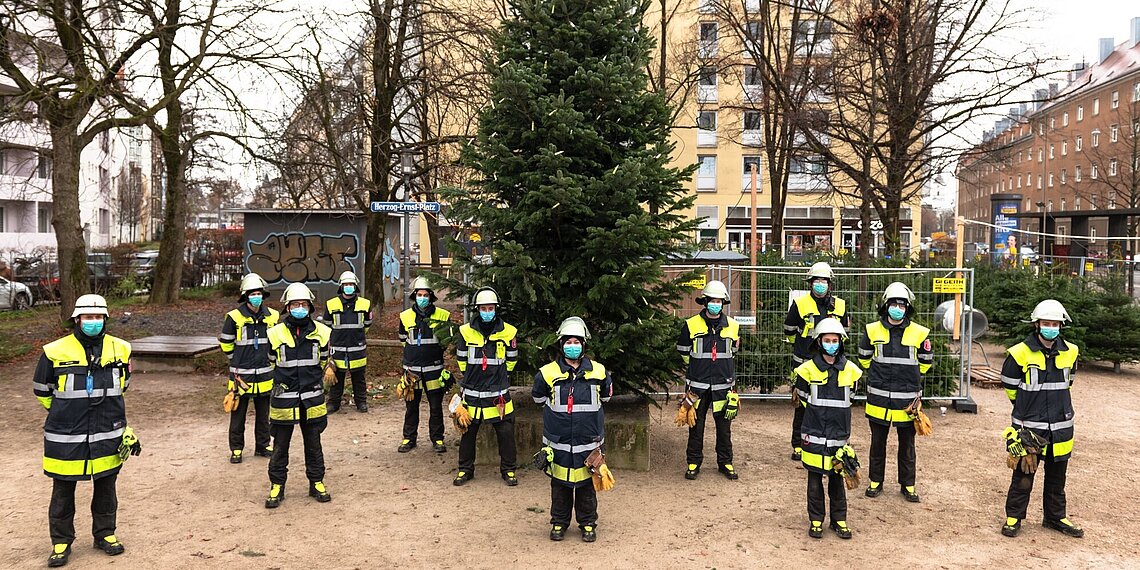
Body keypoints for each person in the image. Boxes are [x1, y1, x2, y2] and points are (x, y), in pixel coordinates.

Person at [33, 294, 140, 567]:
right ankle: (61, 542)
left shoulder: (122, 349)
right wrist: (65, 414)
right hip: (65, 435)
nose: (93, 322)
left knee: (106, 488)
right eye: (87, 317)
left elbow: (123, 386)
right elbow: (43, 390)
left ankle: (105, 535)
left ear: (105, 319)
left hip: (107, 433)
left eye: (97, 317)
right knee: (62, 491)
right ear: (76, 319)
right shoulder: (54, 351)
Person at [999, 299, 1083, 538]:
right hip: (1030, 427)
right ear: (1036, 325)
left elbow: (1069, 381)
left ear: (1061, 326)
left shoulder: (1071, 351)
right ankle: (1014, 518)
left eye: (1055, 324)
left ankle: (1055, 517)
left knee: (1058, 477)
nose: (1051, 328)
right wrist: (1026, 409)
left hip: (1062, 425)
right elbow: (1010, 386)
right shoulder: (1018, 353)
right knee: (1023, 475)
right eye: (1046, 323)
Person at [532, 317, 613, 543]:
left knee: (588, 486)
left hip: (589, 443)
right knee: (560, 486)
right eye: (568, 341)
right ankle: (559, 523)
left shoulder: (599, 371)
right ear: (561, 344)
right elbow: (538, 399)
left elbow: (606, 396)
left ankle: (587, 524)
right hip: (557, 444)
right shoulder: (546, 373)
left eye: (577, 342)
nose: (573, 345)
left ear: (584, 345)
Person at [857, 282, 933, 502]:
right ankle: (875, 482)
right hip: (878, 399)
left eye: (902, 305)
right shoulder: (872, 330)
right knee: (877, 444)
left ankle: (908, 485)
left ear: (907, 308)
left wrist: (908, 380)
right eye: (894, 304)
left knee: (907, 446)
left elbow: (926, 362)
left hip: (907, 402)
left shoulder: (920, 333)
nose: (897, 308)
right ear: (886, 305)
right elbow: (863, 358)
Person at [264, 283, 333, 508]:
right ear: (287, 307)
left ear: (310, 307)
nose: (299, 308)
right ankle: (277, 486)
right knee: (280, 445)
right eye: (295, 304)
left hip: (312, 398)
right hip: (284, 399)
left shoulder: (322, 332)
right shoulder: (274, 333)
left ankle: (317, 483)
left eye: (303, 304)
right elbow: (271, 362)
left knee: (314, 444)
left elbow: (323, 361)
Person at [795, 317, 861, 540]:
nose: (831, 344)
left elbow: (850, 397)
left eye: (835, 340)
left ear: (841, 342)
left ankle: (839, 521)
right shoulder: (805, 371)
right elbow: (803, 399)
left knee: (837, 480)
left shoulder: (851, 371)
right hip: (813, 433)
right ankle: (816, 521)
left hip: (839, 436)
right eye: (827, 340)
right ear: (819, 342)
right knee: (814, 481)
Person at [453, 287, 519, 486]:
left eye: (490, 308)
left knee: (506, 433)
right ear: (477, 309)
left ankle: (509, 470)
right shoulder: (465, 331)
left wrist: (499, 377)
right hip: (472, 392)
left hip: (498, 393)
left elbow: (511, 360)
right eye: (483, 308)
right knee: (467, 433)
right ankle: (465, 470)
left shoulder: (509, 332)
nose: (487, 311)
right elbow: (462, 360)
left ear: (496, 309)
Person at [784, 262, 850, 461]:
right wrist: (805, 347)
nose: (820, 284)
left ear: (830, 284)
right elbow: (789, 331)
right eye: (816, 281)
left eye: (824, 281)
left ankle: (826, 440)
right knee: (802, 404)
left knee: (829, 403)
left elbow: (845, 333)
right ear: (810, 283)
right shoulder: (800, 304)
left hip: (831, 362)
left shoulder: (840, 305)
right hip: (805, 362)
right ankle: (799, 444)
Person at [677, 280, 741, 481]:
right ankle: (693, 462)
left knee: (724, 428)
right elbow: (683, 351)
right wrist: (698, 369)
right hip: (698, 385)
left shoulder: (733, 325)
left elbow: (734, 351)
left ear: (724, 303)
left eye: (719, 301)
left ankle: (726, 462)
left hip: (724, 386)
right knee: (696, 425)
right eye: (712, 300)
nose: (715, 304)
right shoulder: (690, 325)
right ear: (704, 301)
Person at [218, 273, 279, 464]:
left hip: (264, 374)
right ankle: (236, 448)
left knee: (263, 415)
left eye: (259, 293)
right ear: (245, 295)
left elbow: (276, 342)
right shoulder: (234, 317)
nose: (256, 296)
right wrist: (237, 360)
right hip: (241, 376)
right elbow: (226, 343)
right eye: (253, 293)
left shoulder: (273, 316)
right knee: (238, 415)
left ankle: (263, 445)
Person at [397, 276, 453, 453]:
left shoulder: (443, 316)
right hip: (412, 371)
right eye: (419, 294)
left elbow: (446, 341)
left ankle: (437, 439)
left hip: (434, 370)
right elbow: (403, 340)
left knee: (435, 407)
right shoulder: (405, 317)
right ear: (414, 296)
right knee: (411, 407)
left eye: (425, 294)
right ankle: (408, 438)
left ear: (431, 296)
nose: (422, 298)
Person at [319, 271, 373, 413]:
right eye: (346, 284)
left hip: (357, 348)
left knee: (359, 378)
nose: (348, 287)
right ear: (341, 286)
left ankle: (361, 402)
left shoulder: (365, 304)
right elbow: (327, 326)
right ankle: (333, 403)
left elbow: (367, 325)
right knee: (336, 378)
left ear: (355, 286)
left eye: (351, 284)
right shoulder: (331, 304)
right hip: (338, 349)